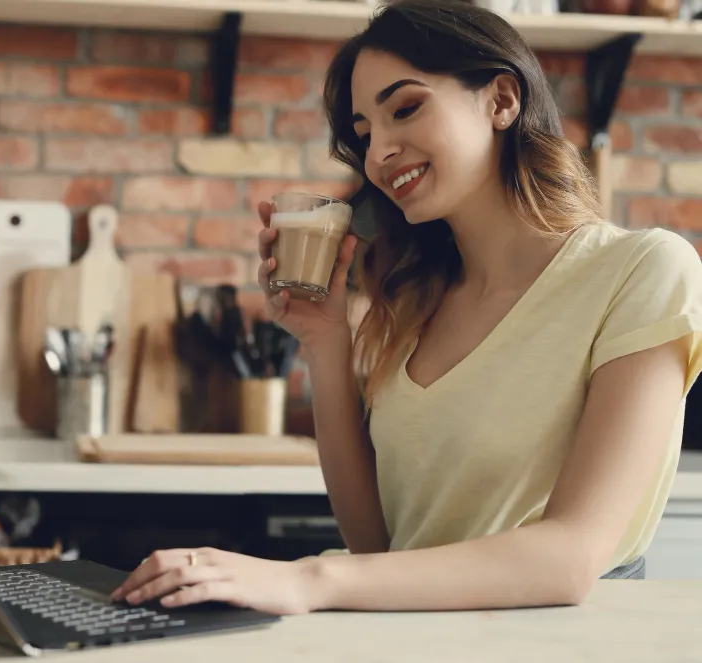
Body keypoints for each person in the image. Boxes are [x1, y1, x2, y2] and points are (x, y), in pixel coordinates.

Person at [110, 0, 702, 614]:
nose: (378, 153)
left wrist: (306, 579)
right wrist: (325, 341)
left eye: (406, 108)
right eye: (364, 134)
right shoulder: (415, 300)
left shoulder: (643, 270)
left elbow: (570, 559)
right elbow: (378, 547)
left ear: (501, 100)